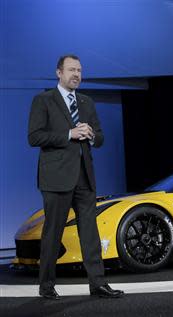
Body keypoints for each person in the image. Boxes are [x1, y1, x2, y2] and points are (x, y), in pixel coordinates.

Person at [28, 55, 124, 300]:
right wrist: (69, 133)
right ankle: (46, 286)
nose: (77, 75)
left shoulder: (86, 102)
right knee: (53, 233)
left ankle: (98, 284)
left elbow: (100, 138)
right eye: (72, 70)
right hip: (56, 178)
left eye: (79, 71)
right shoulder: (43, 100)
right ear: (58, 72)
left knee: (90, 233)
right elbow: (35, 137)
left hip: (84, 177)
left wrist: (91, 135)